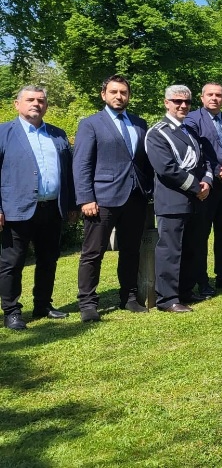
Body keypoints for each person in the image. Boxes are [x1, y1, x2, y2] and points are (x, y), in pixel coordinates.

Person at [73, 75, 153, 322]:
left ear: (129, 95)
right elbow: (82, 163)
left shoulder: (140, 124)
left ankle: (128, 297)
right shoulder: (91, 124)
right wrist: (86, 198)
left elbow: (144, 162)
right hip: (102, 199)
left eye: (124, 92)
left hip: (135, 197)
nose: (119, 96)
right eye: (114, 92)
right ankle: (87, 302)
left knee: (130, 250)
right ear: (104, 95)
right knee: (93, 252)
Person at [0, 86, 75, 331]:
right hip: (16, 209)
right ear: (17, 104)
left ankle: (43, 304)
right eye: (30, 99)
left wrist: (72, 204)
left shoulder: (58, 135)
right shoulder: (4, 133)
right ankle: (11, 312)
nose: (36, 104)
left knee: (48, 260)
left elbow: (69, 173)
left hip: (52, 209)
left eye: (41, 100)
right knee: (13, 263)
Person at [145, 85, 212, 313]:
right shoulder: (157, 133)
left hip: (194, 200)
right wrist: (196, 187)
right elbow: (167, 168)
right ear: (166, 103)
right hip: (172, 201)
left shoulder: (189, 132)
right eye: (177, 101)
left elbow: (203, 162)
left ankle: (184, 291)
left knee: (191, 248)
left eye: (187, 102)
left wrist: (208, 182)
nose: (182, 106)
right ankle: (167, 299)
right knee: (171, 250)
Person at [184, 83, 222, 294]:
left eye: (218, 95)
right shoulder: (193, 119)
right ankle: (202, 281)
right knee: (201, 234)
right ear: (202, 98)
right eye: (210, 95)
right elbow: (199, 152)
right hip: (207, 186)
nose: (214, 98)